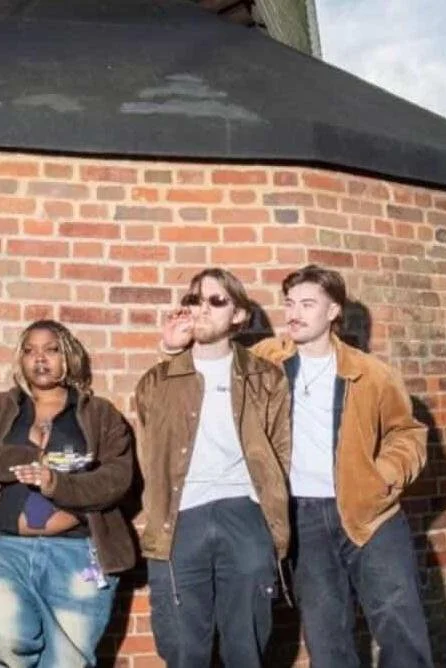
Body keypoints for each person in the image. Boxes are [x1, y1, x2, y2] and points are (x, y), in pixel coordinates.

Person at [161, 263, 433, 667]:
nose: (295, 313)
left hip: (371, 514)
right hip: (303, 519)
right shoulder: (265, 360)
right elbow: (207, 368)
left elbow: (407, 433)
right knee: (326, 639)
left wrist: (383, 477)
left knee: (400, 629)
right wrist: (173, 348)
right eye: (290, 303)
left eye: (308, 304)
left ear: (333, 311)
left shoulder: (371, 374)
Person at [0, 320, 136, 667]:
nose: (40, 358)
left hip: (78, 552)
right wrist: (28, 457)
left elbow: (118, 477)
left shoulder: (99, 413)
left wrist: (57, 484)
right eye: (30, 350)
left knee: (67, 660)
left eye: (51, 350)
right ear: (20, 359)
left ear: (68, 357)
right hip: (4, 548)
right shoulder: (1, 407)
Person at [135, 267, 292, 668]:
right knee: (184, 651)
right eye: (194, 299)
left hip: (245, 514)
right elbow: (150, 437)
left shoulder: (265, 377)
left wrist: (267, 517)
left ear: (238, 315)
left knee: (246, 649)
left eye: (216, 300)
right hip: (180, 518)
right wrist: (170, 352)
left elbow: (282, 453)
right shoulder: (158, 379)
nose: (202, 308)